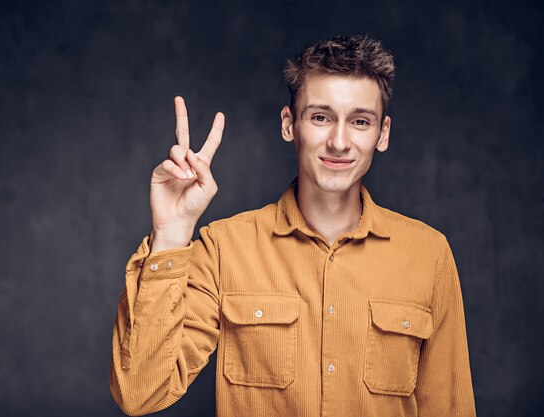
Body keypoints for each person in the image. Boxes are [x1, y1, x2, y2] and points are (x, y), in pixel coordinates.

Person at [109, 35, 476, 417]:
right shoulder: (223, 249)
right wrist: (169, 235)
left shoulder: (429, 255)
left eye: (360, 121)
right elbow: (141, 394)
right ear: (289, 124)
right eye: (321, 117)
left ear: (382, 134)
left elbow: (450, 407)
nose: (339, 141)